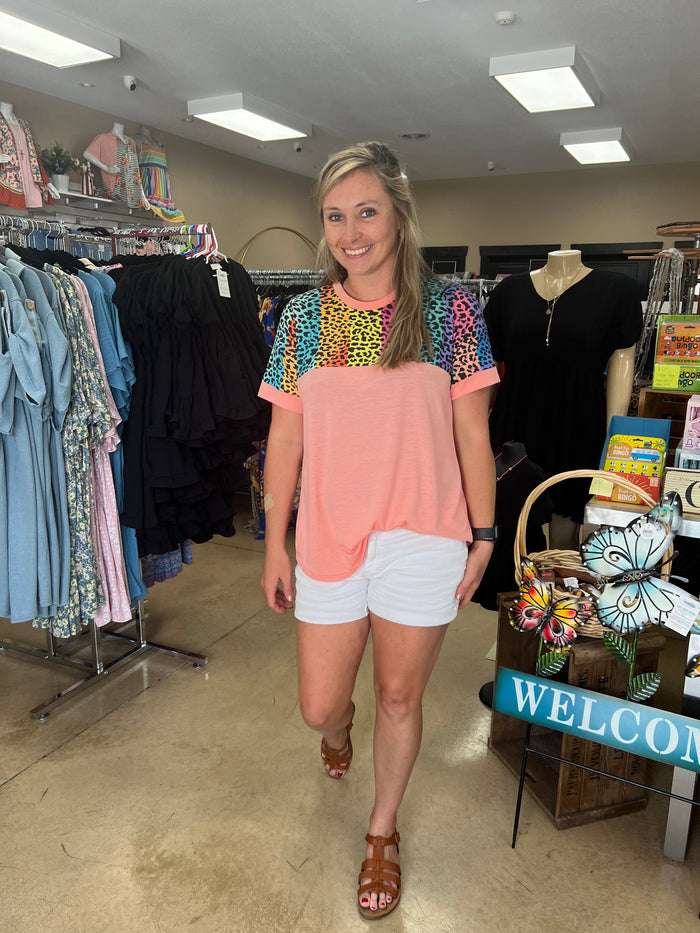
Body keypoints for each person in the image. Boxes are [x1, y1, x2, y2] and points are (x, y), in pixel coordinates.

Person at [259, 141, 499, 919]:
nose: (352, 232)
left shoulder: (448, 310)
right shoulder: (303, 316)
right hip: (330, 535)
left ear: (398, 212)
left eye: (367, 211)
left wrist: (485, 534)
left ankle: (382, 831)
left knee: (400, 694)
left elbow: (471, 434)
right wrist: (273, 540)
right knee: (320, 705)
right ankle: (340, 732)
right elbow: (287, 441)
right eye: (335, 216)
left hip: (424, 534)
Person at [485, 249, 641, 549]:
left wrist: (612, 441)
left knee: (565, 521)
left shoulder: (616, 290)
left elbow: (623, 361)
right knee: (511, 516)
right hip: (516, 417)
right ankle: (515, 589)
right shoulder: (509, 292)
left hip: (578, 421)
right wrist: (477, 425)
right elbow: (487, 365)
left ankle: (561, 587)